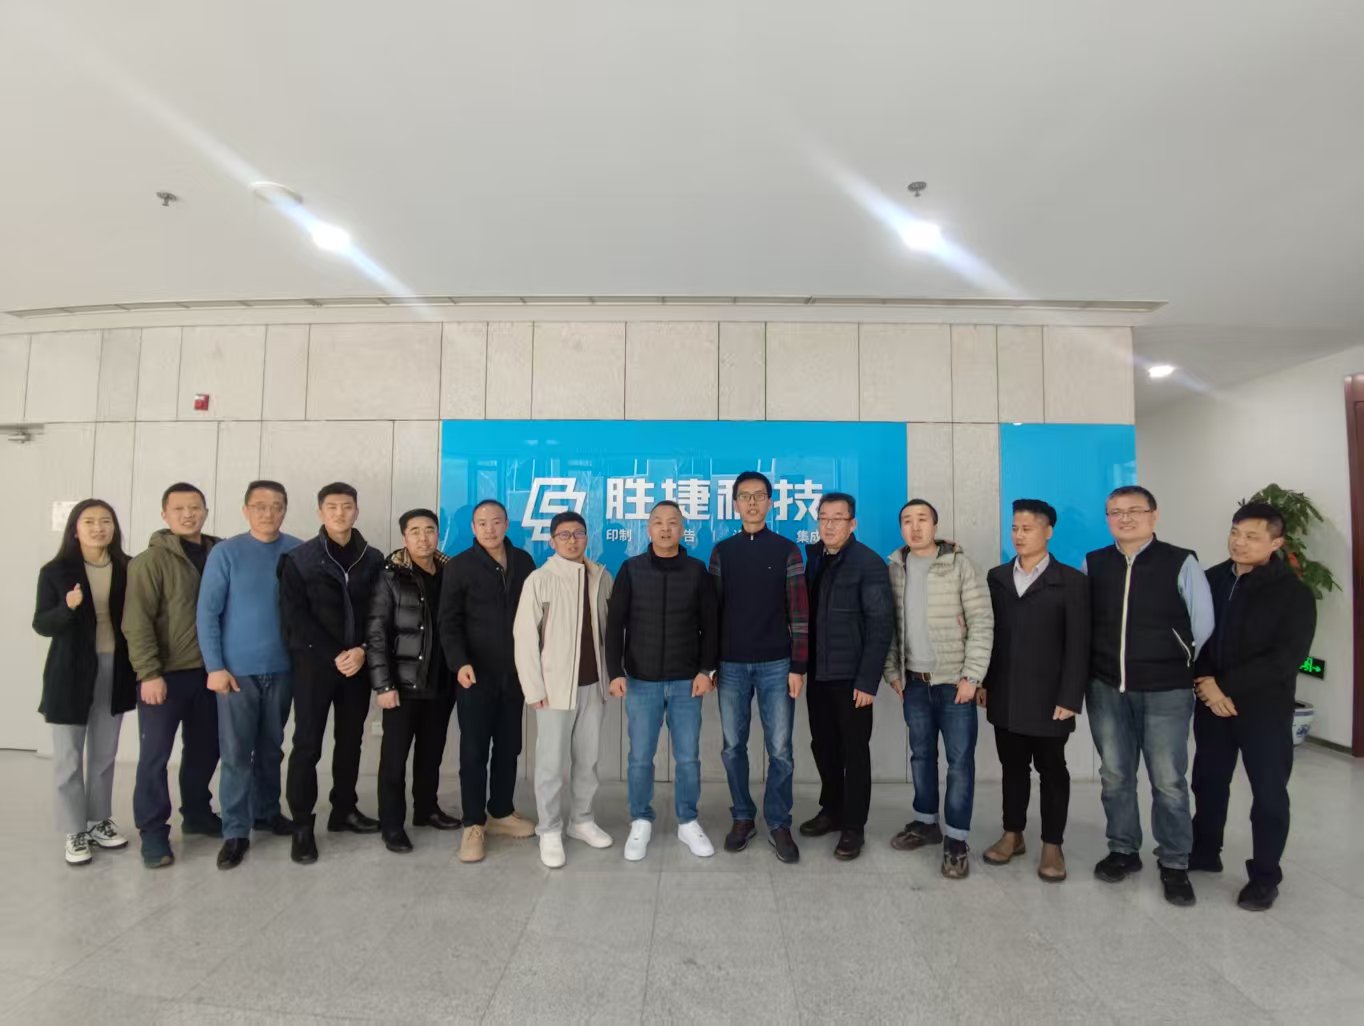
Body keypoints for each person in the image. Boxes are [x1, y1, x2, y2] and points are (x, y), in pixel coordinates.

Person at [1084, 484, 1214, 906]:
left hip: (1166, 690)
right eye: (1115, 512)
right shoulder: (1094, 562)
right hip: (1107, 686)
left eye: (1134, 510)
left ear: (1154, 516)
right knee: (1115, 775)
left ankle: (1174, 861)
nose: (1124, 518)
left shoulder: (1180, 561)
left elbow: (1203, 624)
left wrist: (1179, 656)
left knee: (1169, 780)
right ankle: (1123, 849)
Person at [1189, 502, 1316, 911]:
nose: (1239, 542)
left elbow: (1287, 657)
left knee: (1268, 794)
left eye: (1252, 536)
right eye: (1235, 532)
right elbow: (1194, 637)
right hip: (1212, 704)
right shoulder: (1211, 579)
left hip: (1264, 709)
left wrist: (1223, 686)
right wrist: (1206, 683)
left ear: (1276, 542)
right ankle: (1204, 850)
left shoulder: (1294, 593)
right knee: (1208, 781)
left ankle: (1264, 877)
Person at [978, 499, 1089, 883]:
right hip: (1006, 691)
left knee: (1052, 770)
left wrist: (1070, 696)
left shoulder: (1072, 581)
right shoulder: (997, 577)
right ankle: (1013, 834)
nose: (1019, 535)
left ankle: (1052, 844)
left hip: (1050, 698)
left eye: (1027, 528)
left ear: (1048, 531)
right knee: (1013, 768)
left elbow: (1079, 644)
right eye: (1015, 528)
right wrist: (985, 682)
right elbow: (988, 635)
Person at [885, 499, 993, 879]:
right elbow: (890, 625)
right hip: (915, 683)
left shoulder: (959, 564)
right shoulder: (895, 568)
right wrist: (893, 673)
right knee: (921, 756)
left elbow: (981, 621)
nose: (914, 527)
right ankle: (926, 822)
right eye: (907, 521)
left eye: (922, 520)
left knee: (959, 763)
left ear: (935, 525)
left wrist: (972, 677)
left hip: (954, 684)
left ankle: (957, 839)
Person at [197, 480, 302, 870]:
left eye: (276, 506)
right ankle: (235, 830)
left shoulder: (297, 551)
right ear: (245, 510)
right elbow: (207, 613)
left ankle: (267, 811)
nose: (268, 513)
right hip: (236, 673)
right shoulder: (226, 553)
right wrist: (215, 667)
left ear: (285, 509)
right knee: (237, 753)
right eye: (260, 506)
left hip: (283, 668)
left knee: (272, 748)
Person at [606, 500, 719, 862]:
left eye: (673, 523)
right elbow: (614, 624)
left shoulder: (697, 571)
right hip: (642, 681)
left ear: (683, 529)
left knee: (688, 757)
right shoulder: (631, 569)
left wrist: (706, 670)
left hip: (687, 681)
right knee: (640, 756)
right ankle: (640, 819)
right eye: (658, 522)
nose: (666, 529)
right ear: (649, 529)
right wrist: (614, 672)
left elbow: (711, 625)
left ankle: (688, 820)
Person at [279, 482, 385, 864]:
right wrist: (335, 654)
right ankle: (302, 825)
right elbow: (294, 617)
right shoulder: (299, 559)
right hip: (314, 667)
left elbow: (380, 612)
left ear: (357, 510)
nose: (340, 513)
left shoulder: (372, 558)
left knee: (350, 741)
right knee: (307, 744)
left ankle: (344, 810)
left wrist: (362, 650)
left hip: (357, 664)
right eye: (332, 507)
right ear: (320, 512)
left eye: (347, 506)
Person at [709, 471, 809, 864]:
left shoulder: (787, 550)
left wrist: (798, 665)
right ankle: (743, 816)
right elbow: (712, 613)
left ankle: (779, 822)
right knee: (733, 747)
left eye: (759, 496)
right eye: (745, 496)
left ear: (769, 502)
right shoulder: (723, 552)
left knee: (780, 749)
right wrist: (710, 664)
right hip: (731, 665)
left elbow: (799, 613)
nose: (752, 503)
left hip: (777, 664)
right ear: (735, 504)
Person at [122, 483, 222, 868]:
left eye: (195, 507)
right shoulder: (149, 562)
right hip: (165, 676)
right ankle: (153, 832)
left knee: (205, 749)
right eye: (179, 508)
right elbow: (137, 622)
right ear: (165, 514)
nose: (188, 514)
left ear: (205, 511)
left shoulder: (219, 552)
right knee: (155, 756)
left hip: (210, 672)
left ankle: (197, 813)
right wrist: (149, 673)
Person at [33, 500, 137, 865]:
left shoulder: (128, 567)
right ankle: (73, 829)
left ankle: (97, 821)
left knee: (104, 754)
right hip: (70, 672)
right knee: (68, 756)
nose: (98, 528)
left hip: (115, 668)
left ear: (114, 528)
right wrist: (68, 606)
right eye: (89, 521)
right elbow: (42, 624)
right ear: (75, 530)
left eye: (105, 521)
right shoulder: (56, 571)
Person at [513, 511, 614, 868]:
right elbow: (524, 637)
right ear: (552, 540)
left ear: (587, 537)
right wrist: (533, 687)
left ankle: (581, 820)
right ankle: (550, 828)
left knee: (588, 759)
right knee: (551, 764)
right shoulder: (540, 580)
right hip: (554, 689)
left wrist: (613, 676)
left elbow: (612, 631)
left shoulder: (601, 577)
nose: (572, 540)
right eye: (564, 534)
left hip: (593, 685)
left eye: (579, 533)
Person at [439, 498, 538, 863]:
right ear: (473, 528)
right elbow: (448, 621)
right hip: (474, 675)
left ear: (507, 524)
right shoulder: (460, 566)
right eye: (482, 523)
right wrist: (459, 662)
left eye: (496, 521)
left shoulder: (524, 562)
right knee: (474, 749)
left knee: (510, 745)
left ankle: (500, 811)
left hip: (515, 674)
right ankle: (473, 823)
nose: (490, 529)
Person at [798, 492, 894, 862]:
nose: (829, 525)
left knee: (854, 752)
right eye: (823, 518)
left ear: (852, 523)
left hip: (852, 679)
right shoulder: (815, 559)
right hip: (819, 673)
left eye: (837, 518)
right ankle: (832, 809)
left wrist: (867, 681)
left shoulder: (868, 563)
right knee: (823, 746)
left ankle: (854, 826)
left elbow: (881, 625)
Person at [367, 508, 461, 854]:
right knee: (394, 759)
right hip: (403, 684)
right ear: (404, 537)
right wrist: (383, 685)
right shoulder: (391, 576)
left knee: (430, 753)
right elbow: (376, 633)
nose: (423, 538)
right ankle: (392, 824)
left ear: (438, 534)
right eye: (415, 531)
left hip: (441, 681)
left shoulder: (450, 572)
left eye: (430, 530)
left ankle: (426, 809)